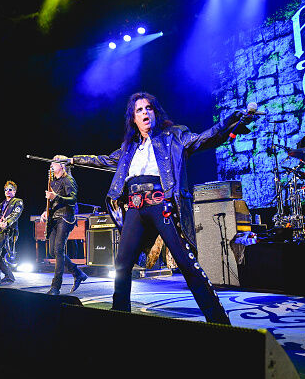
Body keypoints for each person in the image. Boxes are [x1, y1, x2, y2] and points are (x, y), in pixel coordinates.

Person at [71, 92, 252, 324]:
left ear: (155, 112)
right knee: (122, 265)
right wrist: (72, 160)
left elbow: (206, 138)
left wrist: (230, 122)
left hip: (161, 204)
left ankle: (218, 320)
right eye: (139, 110)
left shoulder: (174, 136)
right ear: (133, 119)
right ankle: (118, 320)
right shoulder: (128, 149)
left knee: (187, 263)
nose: (145, 113)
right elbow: (103, 160)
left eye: (148, 108)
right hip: (135, 208)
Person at [40, 155, 88, 295]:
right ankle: (77, 272)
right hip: (55, 218)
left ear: (62, 166)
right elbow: (52, 203)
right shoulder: (53, 181)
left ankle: (56, 287)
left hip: (66, 218)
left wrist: (55, 197)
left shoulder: (68, 180)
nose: (51, 164)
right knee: (52, 252)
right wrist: (45, 212)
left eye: (55, 162)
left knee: (59, 249)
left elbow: (72, 199)